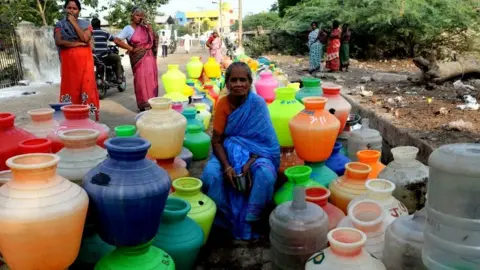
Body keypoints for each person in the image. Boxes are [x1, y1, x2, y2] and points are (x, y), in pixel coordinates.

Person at [201, 62, 280, 240]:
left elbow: (268, 144)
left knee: (265, 174)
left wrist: (250, 162)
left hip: (257, 153)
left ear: (250, 82)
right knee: (211, 176)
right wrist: (228, 167)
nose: (238, 84)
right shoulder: (222, 104)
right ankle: (224, 221)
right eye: (233, 80)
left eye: (242, 79)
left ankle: (253, 219)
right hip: (227, 151)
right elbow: (217, 141)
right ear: (227, 84)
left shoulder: (258, 104)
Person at [54, 0, 99, 121]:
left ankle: (87, 117)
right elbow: (59, 42)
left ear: (79, 10)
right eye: (69, 8)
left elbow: (85, 38)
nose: (71, 10)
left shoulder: (85, 24)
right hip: (69, 63)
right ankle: (71, 116)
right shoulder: (59, 25)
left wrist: (74, 23)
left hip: (85, 61)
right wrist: (77, 44)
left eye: (74, 8)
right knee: (71, 88)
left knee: (86, 86)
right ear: (65, 9)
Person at [115, 7, 159, 111]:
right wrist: (130, 48)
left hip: (150, 59)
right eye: (137, 15)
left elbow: (153, 40)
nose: (140, 17)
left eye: (142, 15)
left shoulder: (146, 28)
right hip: (138, 60)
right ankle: (143, 104)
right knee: (140, 81)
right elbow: (117, 40)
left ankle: (153, 103)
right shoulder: (128, 28)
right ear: (132, 16)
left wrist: (150, 28)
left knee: (151, 80)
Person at [91, 18, 123, 84]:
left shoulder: (89, 33)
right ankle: (119, 77)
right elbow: (113, 39)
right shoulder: (104, 32)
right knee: (117, 58)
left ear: (92, 25)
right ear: (99, 24)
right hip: (104, 56)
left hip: (93, 57)